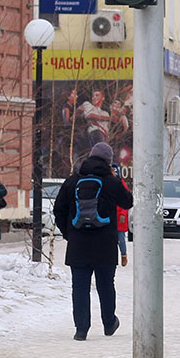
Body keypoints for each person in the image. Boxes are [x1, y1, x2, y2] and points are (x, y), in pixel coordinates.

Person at [53, 142, 133, 341]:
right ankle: (109, 323)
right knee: (106, 284)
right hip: (105, 244)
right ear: (108, 161)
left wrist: (69, 233)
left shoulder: (73, 181)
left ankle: (81, 329)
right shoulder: (110, 182)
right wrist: (117, 180)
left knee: (79, 287)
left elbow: (59, 209)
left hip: (78, 244)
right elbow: (128, 202)